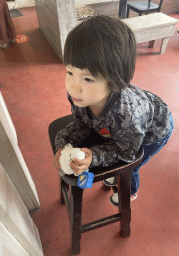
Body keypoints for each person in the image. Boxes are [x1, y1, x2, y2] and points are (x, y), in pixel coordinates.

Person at [53, 15, 174, 206]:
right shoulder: (80, 95)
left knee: (130, 167)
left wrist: (94, 156)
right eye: (70, 72)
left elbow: (126, 153)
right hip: (120, 128)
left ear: (115, 81)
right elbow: (83, 123)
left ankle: (131, 191)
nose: (73, 87)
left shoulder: (128, 117)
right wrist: (64, 144)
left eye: (88, 79)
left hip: (155, 131)